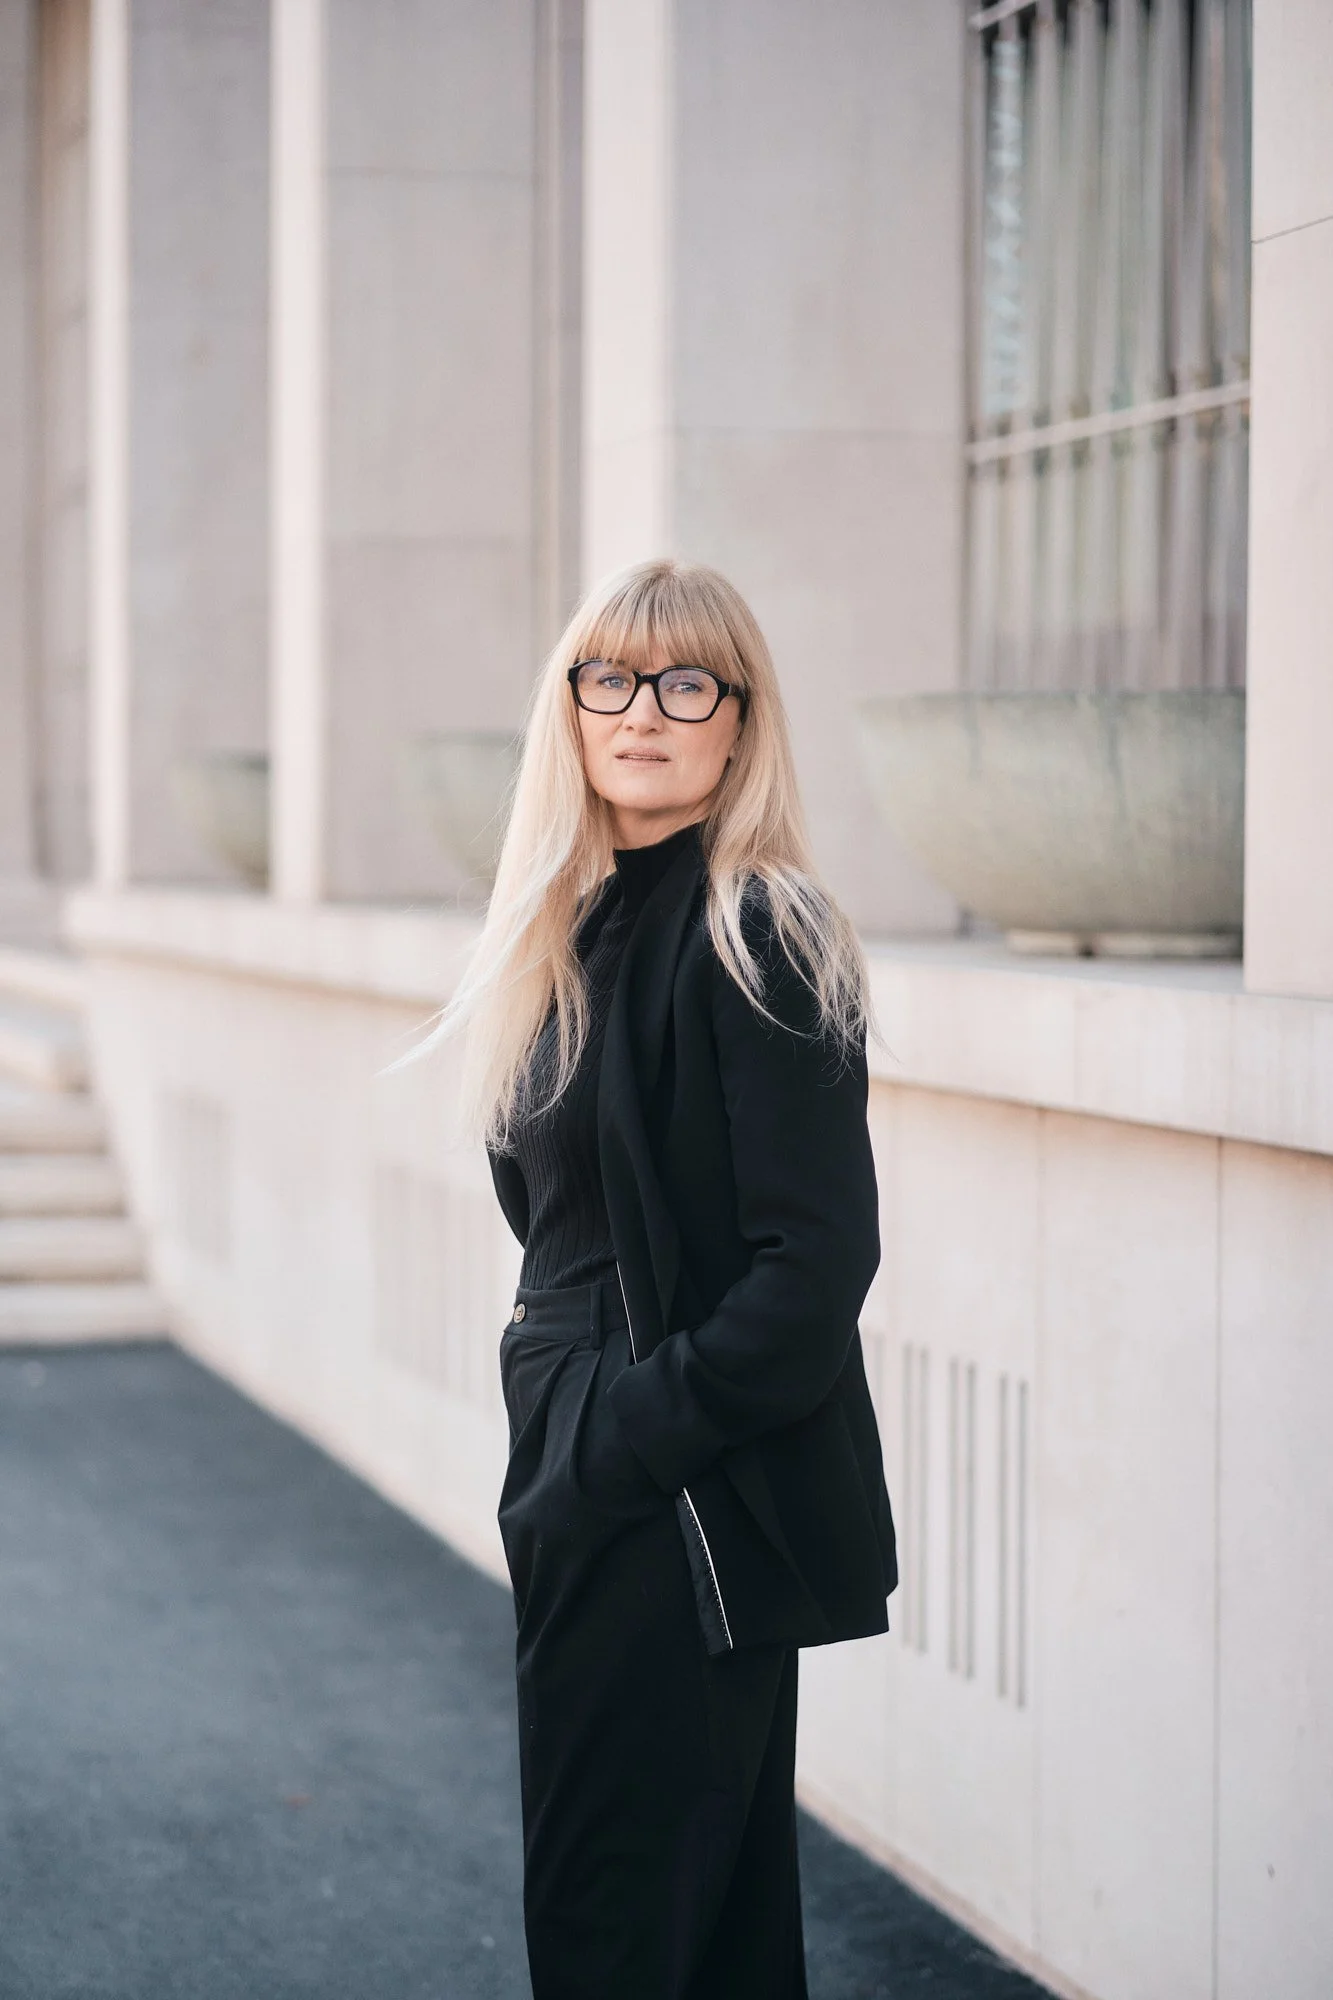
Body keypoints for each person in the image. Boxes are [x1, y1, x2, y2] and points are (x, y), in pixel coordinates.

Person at [422, 557, 896, 1999]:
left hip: (671, 1492)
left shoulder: (760, 932)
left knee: (618, 1923)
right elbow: (557, 1221)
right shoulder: (572, 931)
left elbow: (815, 1268)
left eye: (689, 683)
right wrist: (555, 1413)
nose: (644, 711)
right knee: (688, 1930)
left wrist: (620, 1438)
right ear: (568, 710)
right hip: (586, 1467)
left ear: (741, 722)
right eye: (612, 679)